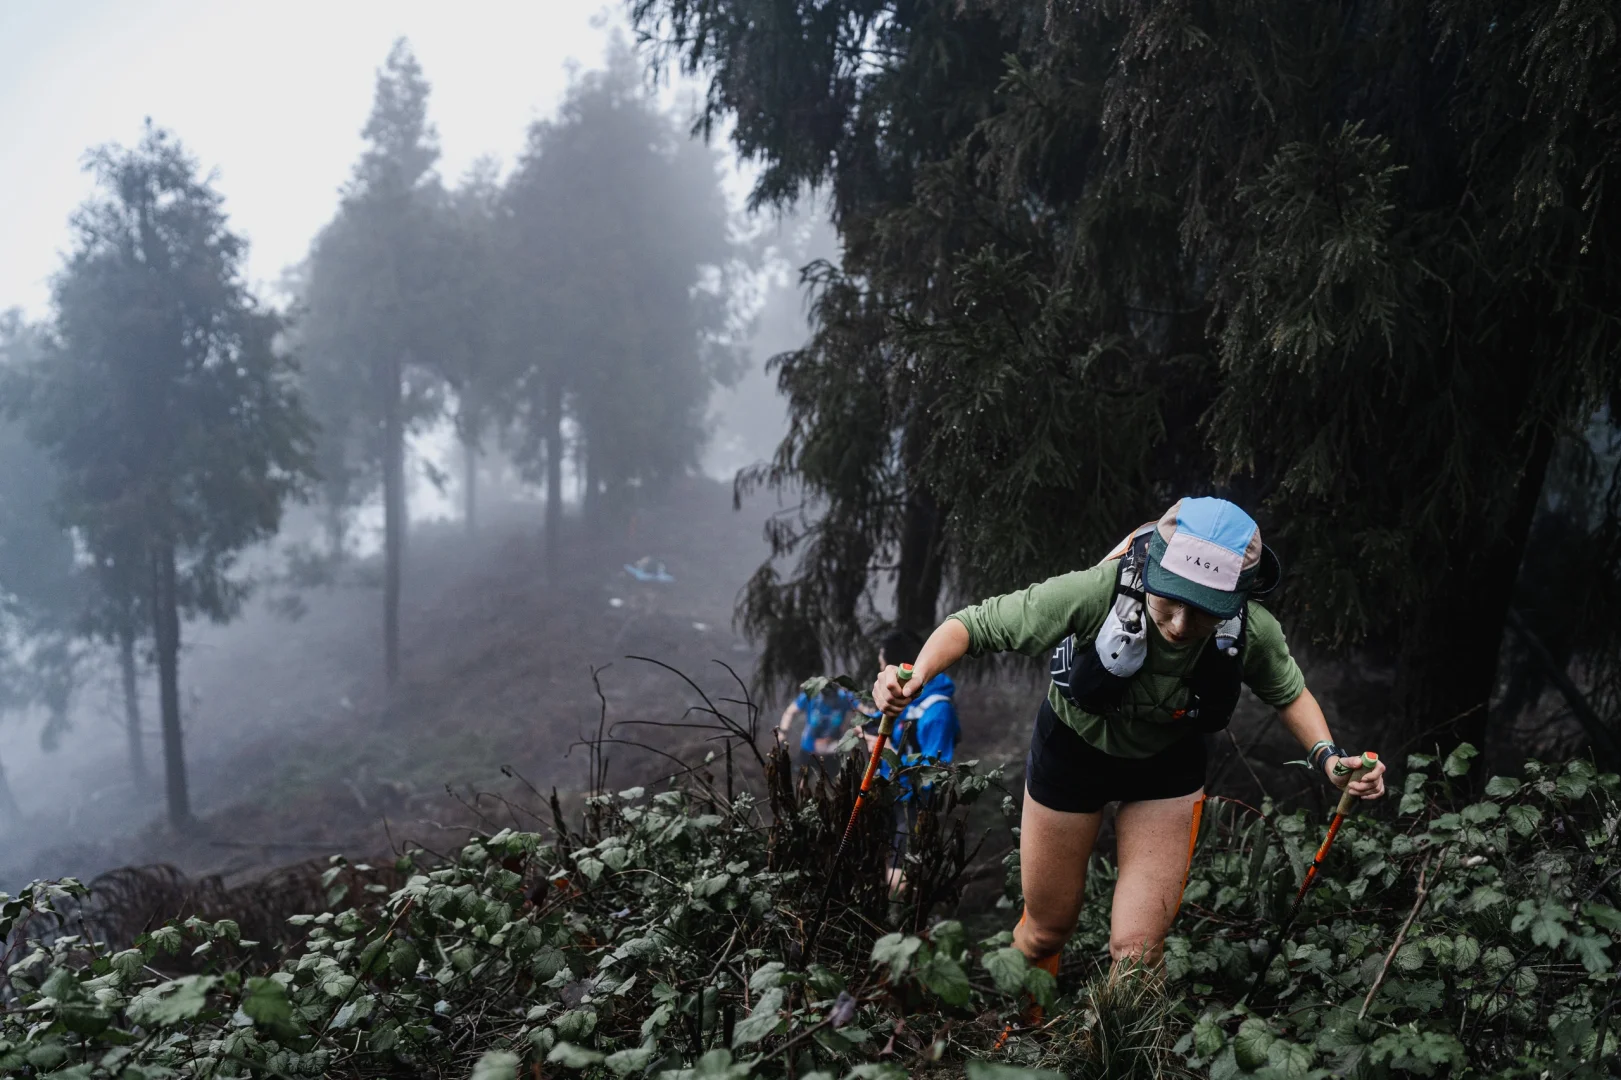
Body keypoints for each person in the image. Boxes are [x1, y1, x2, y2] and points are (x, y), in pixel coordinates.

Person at [870, 497, 1386, 989]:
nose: (1182, 626)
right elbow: (975, 624)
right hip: (1071, 752)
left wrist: (1329, 758)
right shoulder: (1097, 590)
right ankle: (1023, 1033)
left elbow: (1288, 691)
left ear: (1236, 600)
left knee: (1139, 950)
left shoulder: (1252, 630)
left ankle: (1118, 1055)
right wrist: (911, 676)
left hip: (1166, 766)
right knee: (1045, 931)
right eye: (1171, 600)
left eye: (1205, 611)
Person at [865, 629, 960, 890]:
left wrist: (888, 755)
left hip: (914, 808)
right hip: (891, 796)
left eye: (882, 664)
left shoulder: (937, 711)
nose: (880, 671)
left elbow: (933, 773)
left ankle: (902, 922)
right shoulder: (906, 698)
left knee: (901, 873)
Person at [778, 683, 859, 769]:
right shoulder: (811, 696)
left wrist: (858, 728)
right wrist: (783, 731)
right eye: (827, 697)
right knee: (803, 777)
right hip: (809, 748)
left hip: (832, 750)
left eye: (833, 697)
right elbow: (790, 712)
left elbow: (864, 711)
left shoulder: (844, 697)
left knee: (833, 780)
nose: (830, 701)